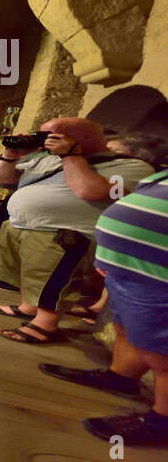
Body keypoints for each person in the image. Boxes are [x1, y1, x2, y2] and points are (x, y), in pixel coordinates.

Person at [0, 117, 153, 344]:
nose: (45, 141)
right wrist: (10, 153)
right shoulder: (47, 159)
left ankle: (44, 325)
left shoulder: (131, 166)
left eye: (53, 135)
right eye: (43, 135)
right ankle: (28, 307)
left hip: (66, 235)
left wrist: (71, 156)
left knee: (51, 280)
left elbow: (91, 191)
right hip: (22, 225)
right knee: (28, 274)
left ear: (85, 138)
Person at [56, 166, 168, 447]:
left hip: (158, 275)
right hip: (133, 272)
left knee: (161, 354)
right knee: (126, 330)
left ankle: (162, 423)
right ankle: (121, 378)